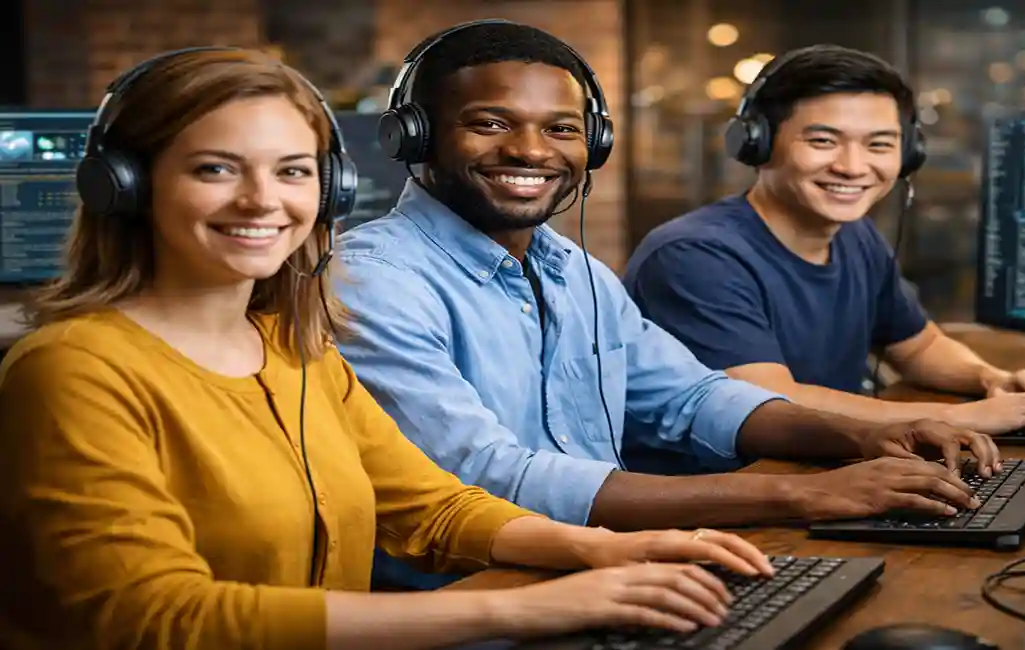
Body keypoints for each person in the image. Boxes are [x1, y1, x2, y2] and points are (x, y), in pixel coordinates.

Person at [0, 47, 779, 650]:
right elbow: (159, 616)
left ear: (330, 190)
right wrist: (529, 607)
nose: (262, 200)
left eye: (292, 171)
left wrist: (607, 550)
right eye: (215, 169)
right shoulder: (74, 371)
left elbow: (432, 507)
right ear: (125, 186)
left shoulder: (294, 349)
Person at [335, 19, 1001, 545]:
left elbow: (693, 397)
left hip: (608, 566)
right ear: (414, 137)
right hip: (476, 596)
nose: (532, 151)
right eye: (490, 123)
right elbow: (488, 476)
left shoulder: (574, 271)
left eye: (562, 129)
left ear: (594, 144)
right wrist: (803, 493)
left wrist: (863, 437)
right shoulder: (373, 281)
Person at [622, 45, 1025, 438]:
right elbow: (770, 402)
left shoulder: (856, 235)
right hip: (724, 493)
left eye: (879, 145)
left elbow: (918, 347)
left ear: (908, 154)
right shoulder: (693, 257)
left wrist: (992, 380)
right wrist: (958, 419)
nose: (853, 167)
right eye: (824, 141)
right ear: (756, 144)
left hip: (823, 466)